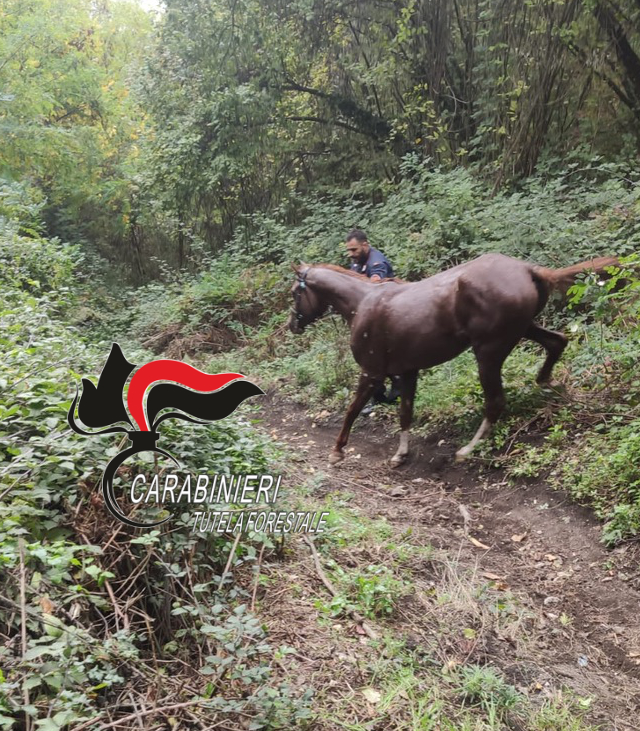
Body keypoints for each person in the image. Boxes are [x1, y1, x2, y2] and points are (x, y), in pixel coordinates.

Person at [344, 229, 400, 411]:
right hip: (368, 318)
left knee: (375, 357)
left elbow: (375, 287)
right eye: (349, 250)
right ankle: (382, 394)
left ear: (365, 245)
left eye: (354, 250)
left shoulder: (376, 262)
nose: (351, 254)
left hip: (384, 318)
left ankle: (388, 393)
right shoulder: (358, 262)